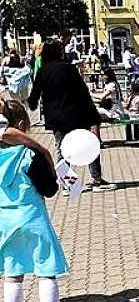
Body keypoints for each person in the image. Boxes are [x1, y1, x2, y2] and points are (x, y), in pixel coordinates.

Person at [0, 100, 74, 302]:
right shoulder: (29, 154)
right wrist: (54, 172)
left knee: (12, 274)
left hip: (5, 222)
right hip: (33, 219)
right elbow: (49, 189)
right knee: (46, 272)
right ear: (22, 124)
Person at [28, 40, 116, 192]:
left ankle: (68, 185)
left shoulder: (43, 71)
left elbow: (34, 94)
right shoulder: (69, 68)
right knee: (89, 144)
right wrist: (93, 115)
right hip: (75, 115)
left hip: (55, 118)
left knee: (62, 149)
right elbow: (83, 93)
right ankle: (97, 180)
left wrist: (32, 105)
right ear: (59, 52)